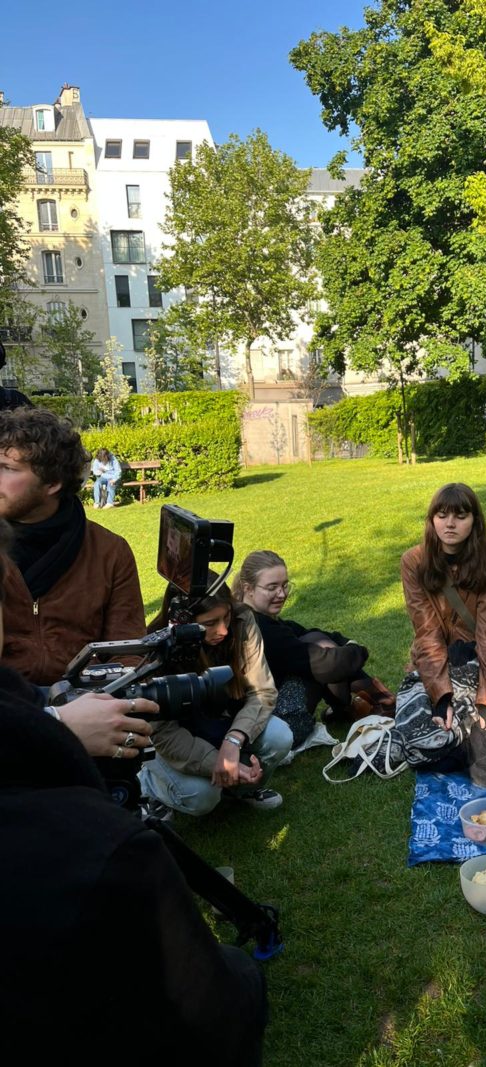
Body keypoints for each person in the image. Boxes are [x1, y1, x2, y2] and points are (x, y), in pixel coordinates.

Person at [0, 668, 266, 1067]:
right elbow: (209, 1010)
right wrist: (57, 725)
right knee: (240, 973)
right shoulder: (105, 848)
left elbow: (262, 692)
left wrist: (233, 740)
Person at [400, 483, 486, 787]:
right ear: (432, 520)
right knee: (430, 736)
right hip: (437, 660)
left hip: (481, 659)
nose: (450, 524)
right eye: (442, 515)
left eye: (461, 516)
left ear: (475, 520)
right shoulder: (414, 562)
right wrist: (441, 697)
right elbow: (426, 632)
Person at [0, 407, 145, 686]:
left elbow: (127, 653)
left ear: (53, 482)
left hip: (87, 701)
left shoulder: (109, 552)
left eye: (8, 468)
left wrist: (103, 699)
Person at [139, 577, 291, 817]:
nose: (223, 630)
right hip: (173, 739)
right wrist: (217, 762)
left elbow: (262, 691)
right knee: (202, 796)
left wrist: (234, 740)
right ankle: (148, 783)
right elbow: (163, 733)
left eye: (226, 617)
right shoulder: (155, 648)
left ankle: (241, 790)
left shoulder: (242, 620)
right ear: (182, 622)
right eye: (210, 623)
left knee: (279, 736)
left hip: (222, 722)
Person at [233, 550, 394, 749]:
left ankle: (363, 704)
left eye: (284, 585)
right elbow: (328, 664)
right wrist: (359, 650)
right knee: (323, 663)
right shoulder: (261, 629)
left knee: (317, 642)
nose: (282, 594)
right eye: (272, 587)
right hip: (277, 726)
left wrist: (347, 644)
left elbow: (306, 632)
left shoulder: (253, 617)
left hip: (272, 712)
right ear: (248, 588)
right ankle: (373, 701)